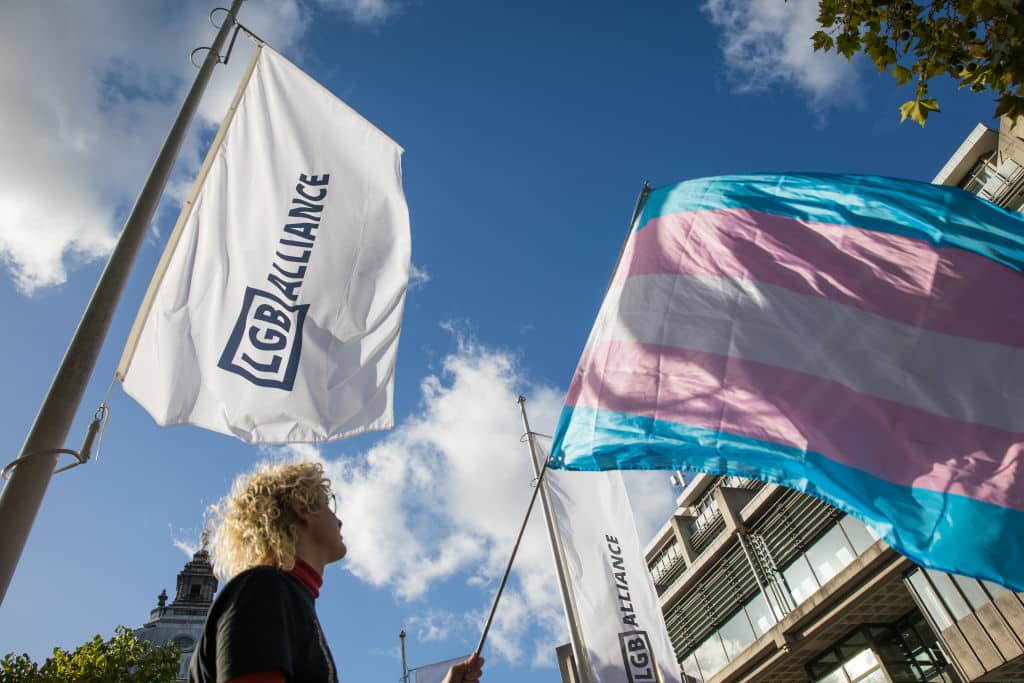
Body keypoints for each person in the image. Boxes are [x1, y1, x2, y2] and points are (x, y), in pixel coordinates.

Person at [189, 461, 484, 683]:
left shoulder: (288, 598)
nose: (339, 519)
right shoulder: (264, 589)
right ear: (301, 508)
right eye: (328, 505)